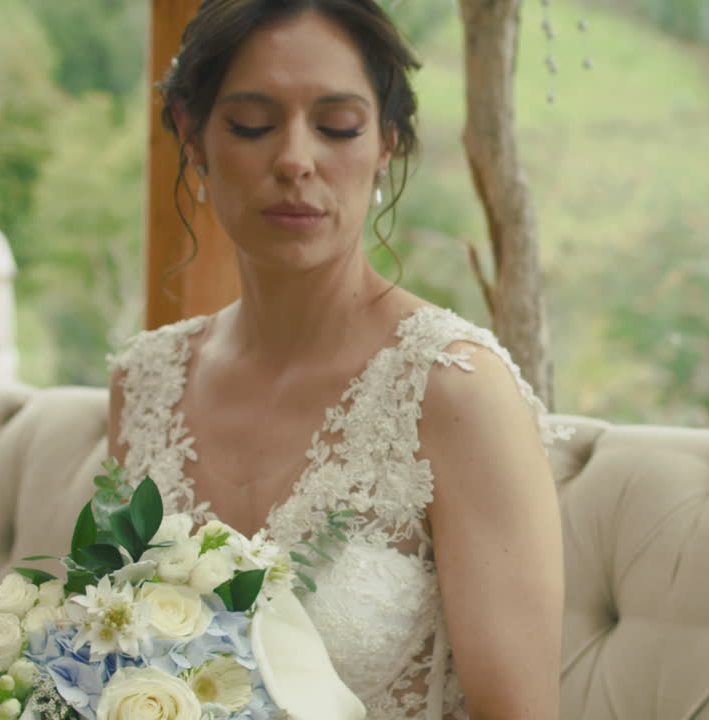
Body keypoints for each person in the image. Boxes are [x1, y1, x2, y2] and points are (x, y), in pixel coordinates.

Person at [105, 2, 567, 718]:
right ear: (193, 139)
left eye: (337, 126)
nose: (295, 159)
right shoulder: (143, 382)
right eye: (252, 124)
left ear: (385, 143)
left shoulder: (453, 391)